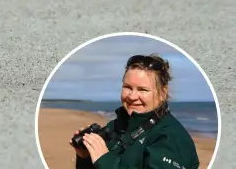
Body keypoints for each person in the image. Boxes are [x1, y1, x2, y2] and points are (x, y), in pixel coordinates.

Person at [70, 54, 200, 168]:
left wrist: (105, 160)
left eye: (143, 90)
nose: (132, 97)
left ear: (163, 93)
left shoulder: (171, 138)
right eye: (127, 87)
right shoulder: (117, 125)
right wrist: (85, 157)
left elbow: (106, 163)